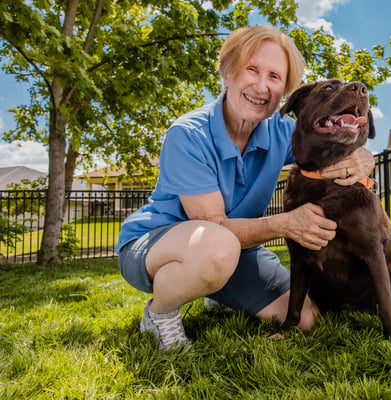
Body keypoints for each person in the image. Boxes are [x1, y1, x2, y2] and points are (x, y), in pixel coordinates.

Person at [114, 26, 375, 352]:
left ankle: (216, 288)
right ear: (227, 73)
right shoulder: (188, 135)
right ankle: (160, 313)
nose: (261, 86)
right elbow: (215, 225)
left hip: (234, 250)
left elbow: (333, 147)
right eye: (251, 69)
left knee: (307, 318)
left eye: (275, 77)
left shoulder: (282, 131)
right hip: (158, 245)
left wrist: (363, 157)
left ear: (284, 91)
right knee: (216, 247)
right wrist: (287, 223)